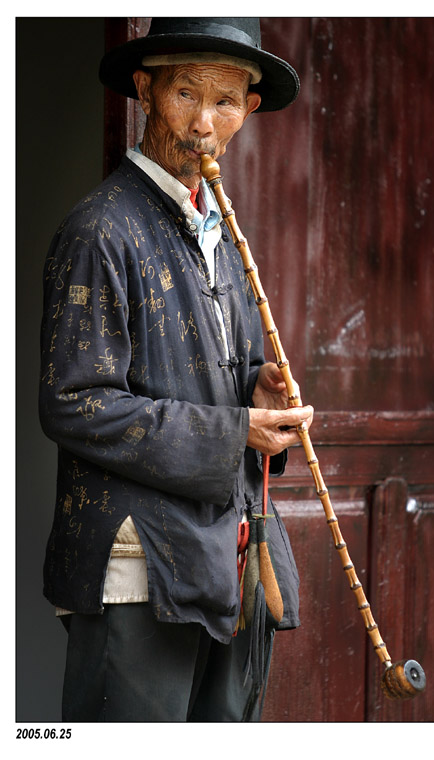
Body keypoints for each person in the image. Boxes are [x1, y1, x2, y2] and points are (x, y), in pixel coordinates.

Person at [39, 17, 312, 722]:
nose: (203, 121)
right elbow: (75, 403)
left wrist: (256, 388)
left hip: (228, 550)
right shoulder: (103, 228)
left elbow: (208, 368)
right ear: (144, 91)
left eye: (224, 101)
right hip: (139, 565)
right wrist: (233, 432)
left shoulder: (217, 226)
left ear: (247, 112)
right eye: (184, 92)